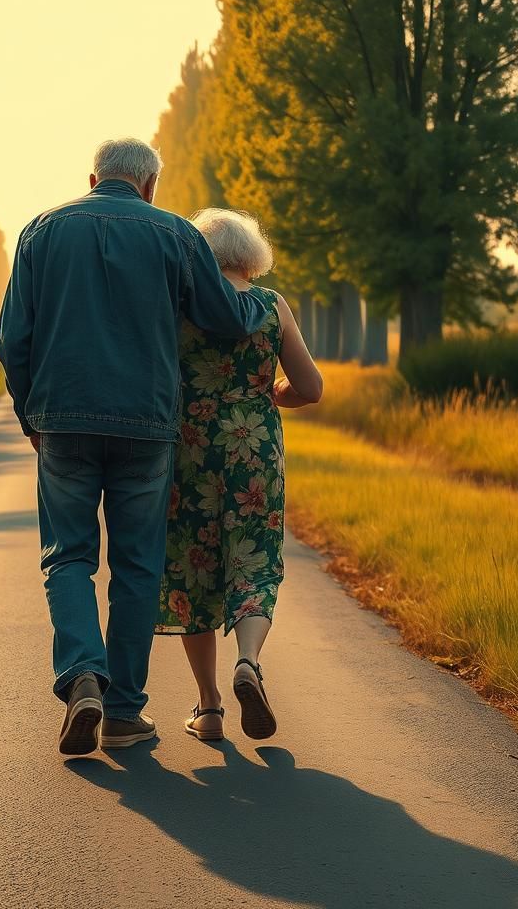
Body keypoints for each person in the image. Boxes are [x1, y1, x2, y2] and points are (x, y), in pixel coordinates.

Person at [0, 139, 270, 756]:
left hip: (62, 419)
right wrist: (264, 308)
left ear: (93, 177)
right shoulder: (176, 235)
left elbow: (12, 338)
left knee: (67, 556)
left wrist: (29, 412)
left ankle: (82, 677)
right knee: (138, 565)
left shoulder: (41, 231)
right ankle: (122, 712)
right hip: (147, 422)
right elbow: (226, 317)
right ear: (150, 186)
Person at [155, 208, 323, 743]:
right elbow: (311, 387)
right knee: (253, 560)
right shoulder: (271, 308)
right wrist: (272, 393)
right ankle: (248, 660)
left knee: (193, 567)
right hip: (254, 451)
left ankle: (208, 707)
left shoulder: (178, 306)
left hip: (190, 451)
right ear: (252, 257)